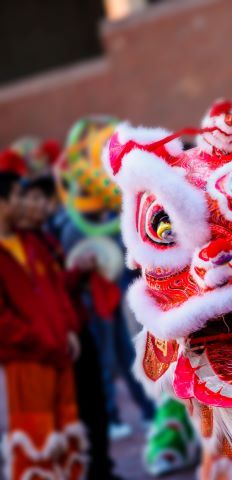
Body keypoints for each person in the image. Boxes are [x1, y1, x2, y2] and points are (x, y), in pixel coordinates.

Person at [0, 170, 87, 479]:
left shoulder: (32, 242)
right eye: (19, 197)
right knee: (35, 443)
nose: (25, 205)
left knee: (65, 438)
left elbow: (56, 291)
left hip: (58, 354)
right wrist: (41, 339)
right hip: (26, 361)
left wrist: (68, 328)